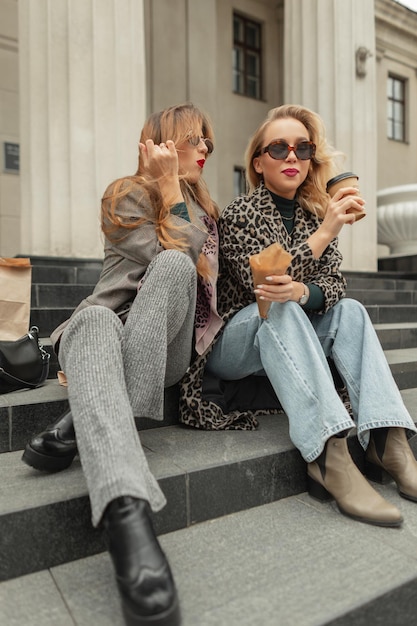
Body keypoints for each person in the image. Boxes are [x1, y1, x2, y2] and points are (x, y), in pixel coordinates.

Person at [22, 103, 222, 626]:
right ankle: (127, 515)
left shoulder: (205, 213)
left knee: (177, 265)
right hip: (103, 330)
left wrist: (177, 192)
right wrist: (166, 186)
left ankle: (79, 419)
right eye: (194, 139)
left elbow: (181, 263)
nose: (205, 149)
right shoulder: (125, 193)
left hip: (167, 351)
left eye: (208, 143)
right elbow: (159, 250)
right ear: (160, 141)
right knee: (93, 324)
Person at [180, 103, 417, 528]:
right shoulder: (240, 213)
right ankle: (329, 454)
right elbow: (265, 285)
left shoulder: (312, 214)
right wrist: (326, 234)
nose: (292, 157)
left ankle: (389, 440)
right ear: (258, 161)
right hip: (233, 345)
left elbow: (334, 285)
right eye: (279, 148)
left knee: (352, 312)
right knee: (282, 306)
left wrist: (306, 289)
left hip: (289, 334)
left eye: (303, 149)